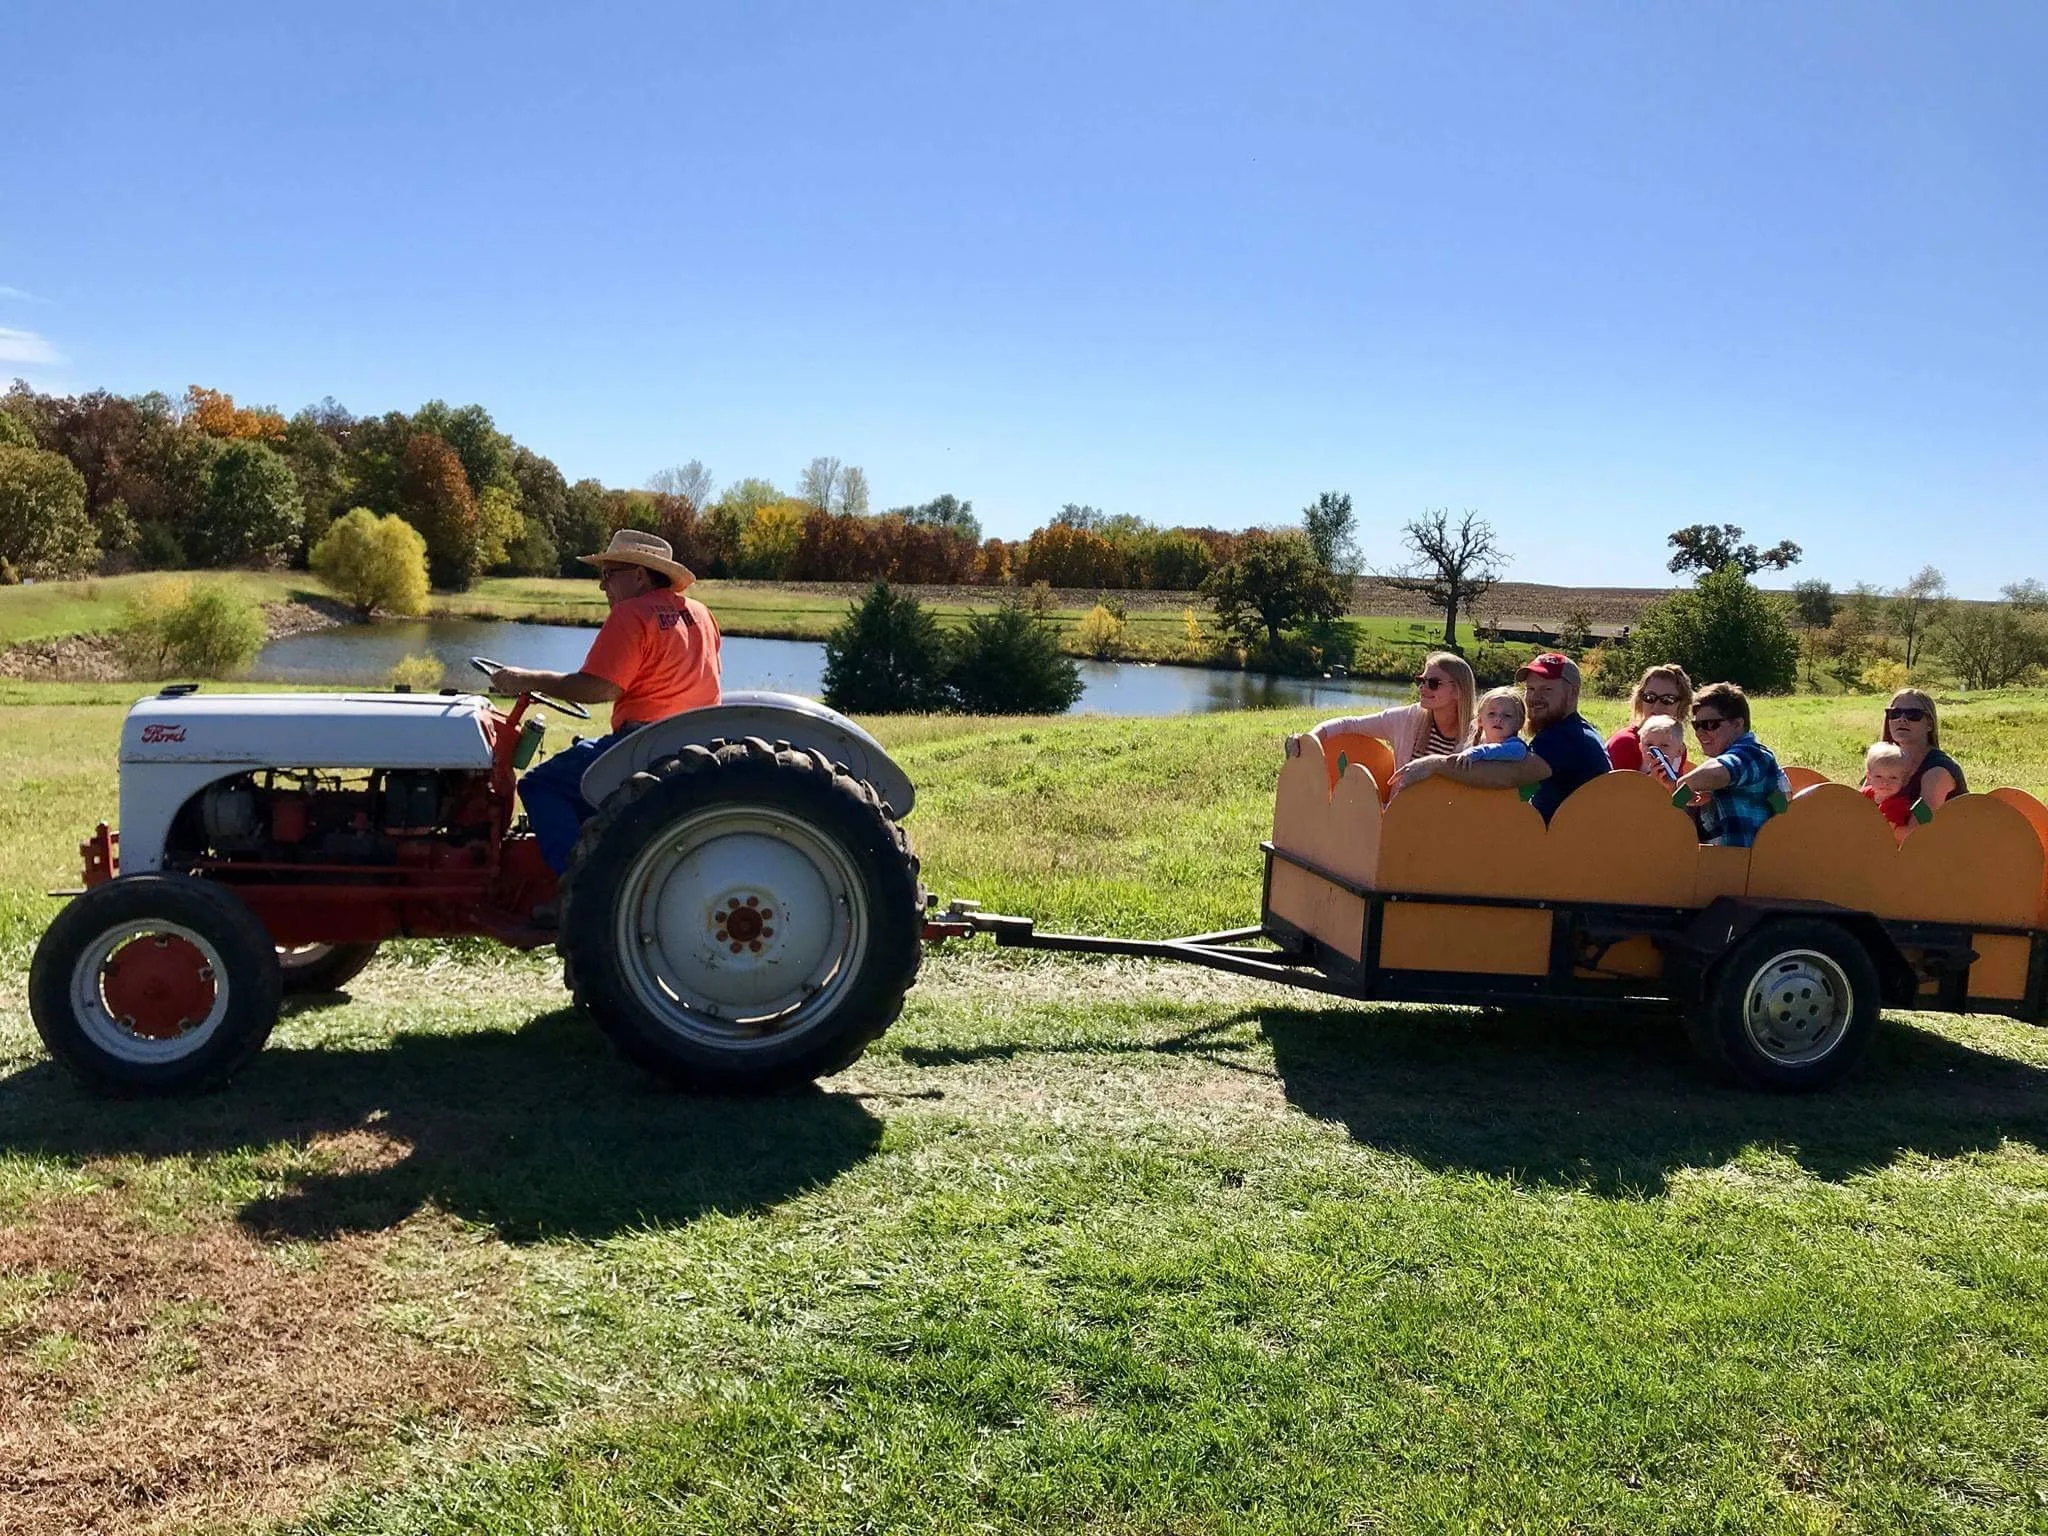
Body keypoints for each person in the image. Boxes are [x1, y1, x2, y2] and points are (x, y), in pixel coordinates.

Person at [489, 529, 723, 875]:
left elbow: (599, 689)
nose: (602, 586)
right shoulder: (701, 614)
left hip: (643, 745)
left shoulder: (632, 614)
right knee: (580, 779)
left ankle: (576, 884)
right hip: (695, 743)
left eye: (608, 574)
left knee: (540, 784)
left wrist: (526, 678)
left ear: (640, 575)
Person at [1392, 652, 1610, 822]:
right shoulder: (1571, 731)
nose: (1534, 697)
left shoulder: (1566, 737)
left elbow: (1505, 776)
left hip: (1564, 854)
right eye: (1531, 688)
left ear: (1572, 693)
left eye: (1546, 689)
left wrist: (1436, 765)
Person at [1293, 651, 1476, 773]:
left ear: (1457, 691)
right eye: (1421, 680)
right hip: (1399, 816)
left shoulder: (1481, 732)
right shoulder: (1408, 719)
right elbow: (1348, 724)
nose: (1422, 688)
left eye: (1433, 683)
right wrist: (1311, 739)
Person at [1673, 681, 1786, 848]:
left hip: (1742, 868)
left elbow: (1713, 773)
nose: (1700, 732)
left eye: (1710, 724)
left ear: (1737, 724)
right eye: (1696, 725)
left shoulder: (1752, 754)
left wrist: (1678, 797)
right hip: (1724, 864)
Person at [1877, 688, 1967, 812]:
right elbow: (1856, 806)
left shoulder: (1937, 771)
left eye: (1913, 715)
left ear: (1929, 724)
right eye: (1895, 713)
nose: (1902, 719)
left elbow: (1921, 827)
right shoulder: (1882, 762)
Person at [1605, 664, 1694, 771]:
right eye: (1649, 697)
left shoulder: (1675, 745)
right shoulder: (1625, 743)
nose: (1657, 706)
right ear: (1640, 699)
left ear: (1682, 704)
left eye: (1668, 699)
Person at [1861, 741, 1914, 839]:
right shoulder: (1866, 793)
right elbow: (1851, 807)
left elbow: (1884, 832)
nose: (1885, 782)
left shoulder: (1898, 805)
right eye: (1879, 776)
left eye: (1893, 777)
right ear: (1869, 777)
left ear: (1904, 780)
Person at [1464, 687, 1529, 762]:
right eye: (1492, 714)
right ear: (1480, 720)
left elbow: (1514, 750)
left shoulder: (1516, 747)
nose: (1498, 719)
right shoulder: (1474, 747)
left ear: (1519, 723)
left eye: (1507, 715)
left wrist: (1476, 752)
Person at [1634, 714, 1690, 789]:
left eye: (1664, 745)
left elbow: (1684, 799)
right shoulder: (1634, 775)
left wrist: (1673, 787)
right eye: (1649, 745)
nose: (1656, 751)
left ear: (1679, 751)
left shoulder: (1679, 781)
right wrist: (1650, 781)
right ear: (1640, 748)